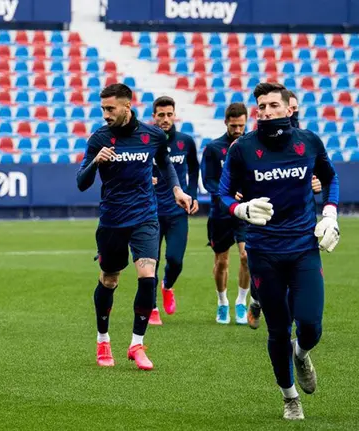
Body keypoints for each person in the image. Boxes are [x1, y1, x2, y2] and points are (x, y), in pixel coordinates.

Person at [219, 82, 339, 420]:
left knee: (312, 325)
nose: (266, 112)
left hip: (303, 247)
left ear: (290, 108)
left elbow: (330, 178)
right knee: (278, 330)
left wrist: (329, 211)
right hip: (263, 250)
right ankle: (290, 398)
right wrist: (238, 210)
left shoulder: (308, 142)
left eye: (273, 105)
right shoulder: (242, 148)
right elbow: (224, 192)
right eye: (261, 107)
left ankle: (301, 354)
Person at [76, 83, 192, 371]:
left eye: (110, 108)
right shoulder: (99, 139)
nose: (105, 114)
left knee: (147, 275)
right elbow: (81, 182)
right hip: (113, 220)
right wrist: (95, 162)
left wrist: (177, 190)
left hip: (145, 216)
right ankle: (103, 339)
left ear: (127, 106)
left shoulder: (152, 135)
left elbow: (165, 164)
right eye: (103, 108)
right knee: (109, 280)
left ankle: (136, 344)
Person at [148, 96, 199, 325]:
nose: (166, 119)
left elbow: (194, 167)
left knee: (175, 260)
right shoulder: (146, 141)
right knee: (152, 261)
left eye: (169, 114)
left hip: (178, 210)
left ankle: (167, 286)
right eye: (161, 115)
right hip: (151, 210)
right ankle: (152, 306)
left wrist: (193, 195)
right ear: (154, 116)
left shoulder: (185, 141)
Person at [201, 103, 252, 325]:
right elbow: (209, 181)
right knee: (222, 262)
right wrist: (229, 195)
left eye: (241, 125)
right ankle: (223, 303)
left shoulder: (252, 146)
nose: (238, 130)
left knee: (246, 257)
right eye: (234, 126)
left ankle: (242, 301)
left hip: (245, 212)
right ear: (226, 123)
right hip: (221, 214)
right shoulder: (213, 149)